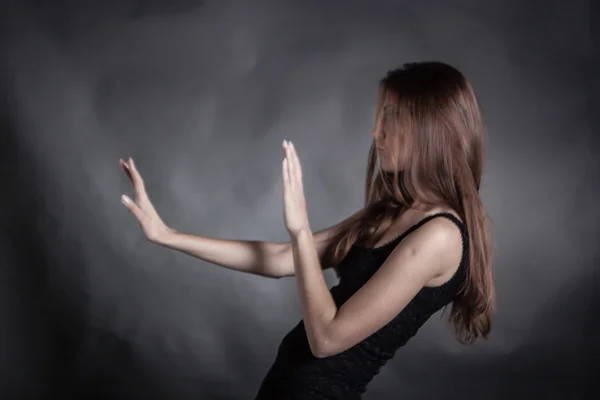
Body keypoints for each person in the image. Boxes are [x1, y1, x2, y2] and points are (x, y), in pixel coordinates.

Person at [119, 61, 495, 399]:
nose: (376, 132)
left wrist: (300, 230)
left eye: (391, 116)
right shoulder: (393, 212)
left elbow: (327, 339)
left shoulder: (440, 236)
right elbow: (283, 259)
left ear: (430, 128)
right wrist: (167, 235)